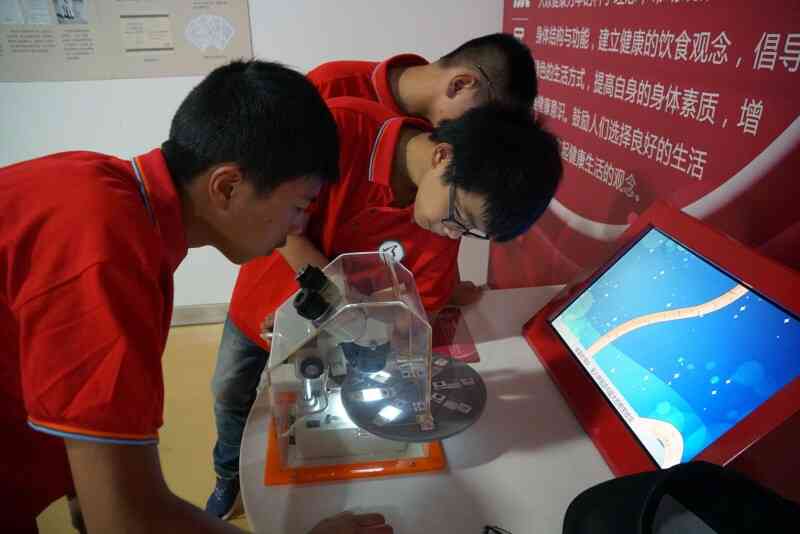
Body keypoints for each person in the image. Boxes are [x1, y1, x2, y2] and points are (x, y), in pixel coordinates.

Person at [0, 59, 391, 534]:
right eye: (299, 207)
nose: (299, 228)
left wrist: (86, 484)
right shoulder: (106, 253)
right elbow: (125, 520)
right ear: (227, 186)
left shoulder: (100, 185)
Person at [205, 96, 563, 518]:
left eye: (469, 232)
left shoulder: (441, 231)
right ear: (443, 157)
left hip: (338, 335)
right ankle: (227, 475)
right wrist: (344, 305)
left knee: (296, 413)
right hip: (263, 301)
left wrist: (384, 328)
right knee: (229, 389)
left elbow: (418, 307)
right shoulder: (341, 129)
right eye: (458, 218)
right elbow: (282, 225)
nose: (453, 234)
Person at [308, 32, 538, 125]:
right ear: (460, 85)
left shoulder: (443, 144)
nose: (476, 131)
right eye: (483, 119)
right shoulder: (328, 88)